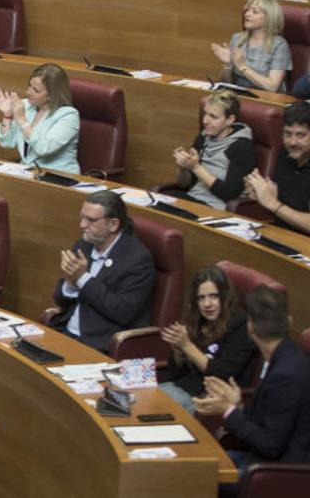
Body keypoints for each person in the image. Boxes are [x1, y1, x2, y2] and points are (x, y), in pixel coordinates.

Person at [195, 286, 310, 475]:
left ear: (250, 327)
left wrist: (229, 411)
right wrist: (237, 405)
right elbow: (271, 419)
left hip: (277, 474)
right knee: (195, 464)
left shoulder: (286, 374)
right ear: (287, 322)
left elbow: (270, 446)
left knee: (190, 478)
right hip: (256, 460)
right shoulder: (283, 355)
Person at [47, 190, 156, 352]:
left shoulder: (137, 260)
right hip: (66, 332)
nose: (82, 225)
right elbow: (59, 299)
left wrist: (82, 278)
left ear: (113, 224)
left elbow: (123, 312)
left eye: (90, 220)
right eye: (82, 218)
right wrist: (70, 283)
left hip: (99, 344)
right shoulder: (84, 245)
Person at [157, 266, 256, 413]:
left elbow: (222, 374)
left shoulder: (240, 324)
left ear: (225, 296)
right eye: (201, 298)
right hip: (176, 388)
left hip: (203, 400)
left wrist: (187, 346)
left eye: (214, 296)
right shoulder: (196, 319)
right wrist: (178, 352)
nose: (207, 304)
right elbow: (175, 373)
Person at [168, 90, 256, 210]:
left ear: (230, 120)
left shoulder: (242, 147)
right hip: (192, 198)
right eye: (205, 114)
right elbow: (184, 184)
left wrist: (196, 167)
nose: (205, 121)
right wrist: (183, 168)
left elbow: (229, 193)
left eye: (213, 117)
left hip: (216, 208)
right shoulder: (203, 137)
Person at [0, 63, 81, 174]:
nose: (28, 92)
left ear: (52, 95)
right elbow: (7, 143)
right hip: (28, 174)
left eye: (36, 90)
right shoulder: (27, 106)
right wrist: (8, 115)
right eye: (29, 86)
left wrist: (22, 119)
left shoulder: (69, 116)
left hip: (59, 177)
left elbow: (44, 148)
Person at [246, 101, 310, 235]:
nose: (292, 142)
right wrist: (260, 194)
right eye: (287, 134)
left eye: (300, 135)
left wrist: (273, 203)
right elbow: (280, 208)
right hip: (281, 233)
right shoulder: (284, 153)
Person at [211, 0, 291, 93]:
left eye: (255, 12)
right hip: (238, 97)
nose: (247, 14)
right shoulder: (237, 39)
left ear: (269, 18)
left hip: (265, 99)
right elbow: (226, 84)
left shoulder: (279, 45)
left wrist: (243, 67)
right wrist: (227, 65)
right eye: (247, 10)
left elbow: (272, 87)